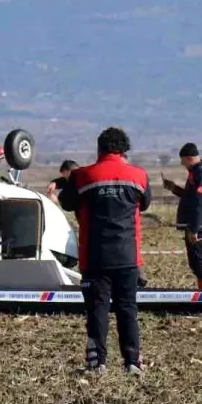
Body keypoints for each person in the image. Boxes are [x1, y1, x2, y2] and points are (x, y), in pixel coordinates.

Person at [58, 127, 151, 375]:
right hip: (128, 256)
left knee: (97, 309)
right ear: (124, 150)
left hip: (95, 256)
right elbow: (145, 203)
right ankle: (132, 362)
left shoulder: (82, 176)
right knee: (127, 308)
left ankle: (97, 362)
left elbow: (67, 203)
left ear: (99, 149)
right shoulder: (140, 176)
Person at [161, 143, 202, 290]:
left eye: (183, 161)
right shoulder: (196, 173)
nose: (182, 164)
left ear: (189, 158)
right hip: (196, 224)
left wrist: (195, 229)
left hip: (198, 225)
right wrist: (174, 188)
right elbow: (190, 198)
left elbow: (200, 202)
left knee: (199, 261)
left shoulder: (201, 174)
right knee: (196, 262)